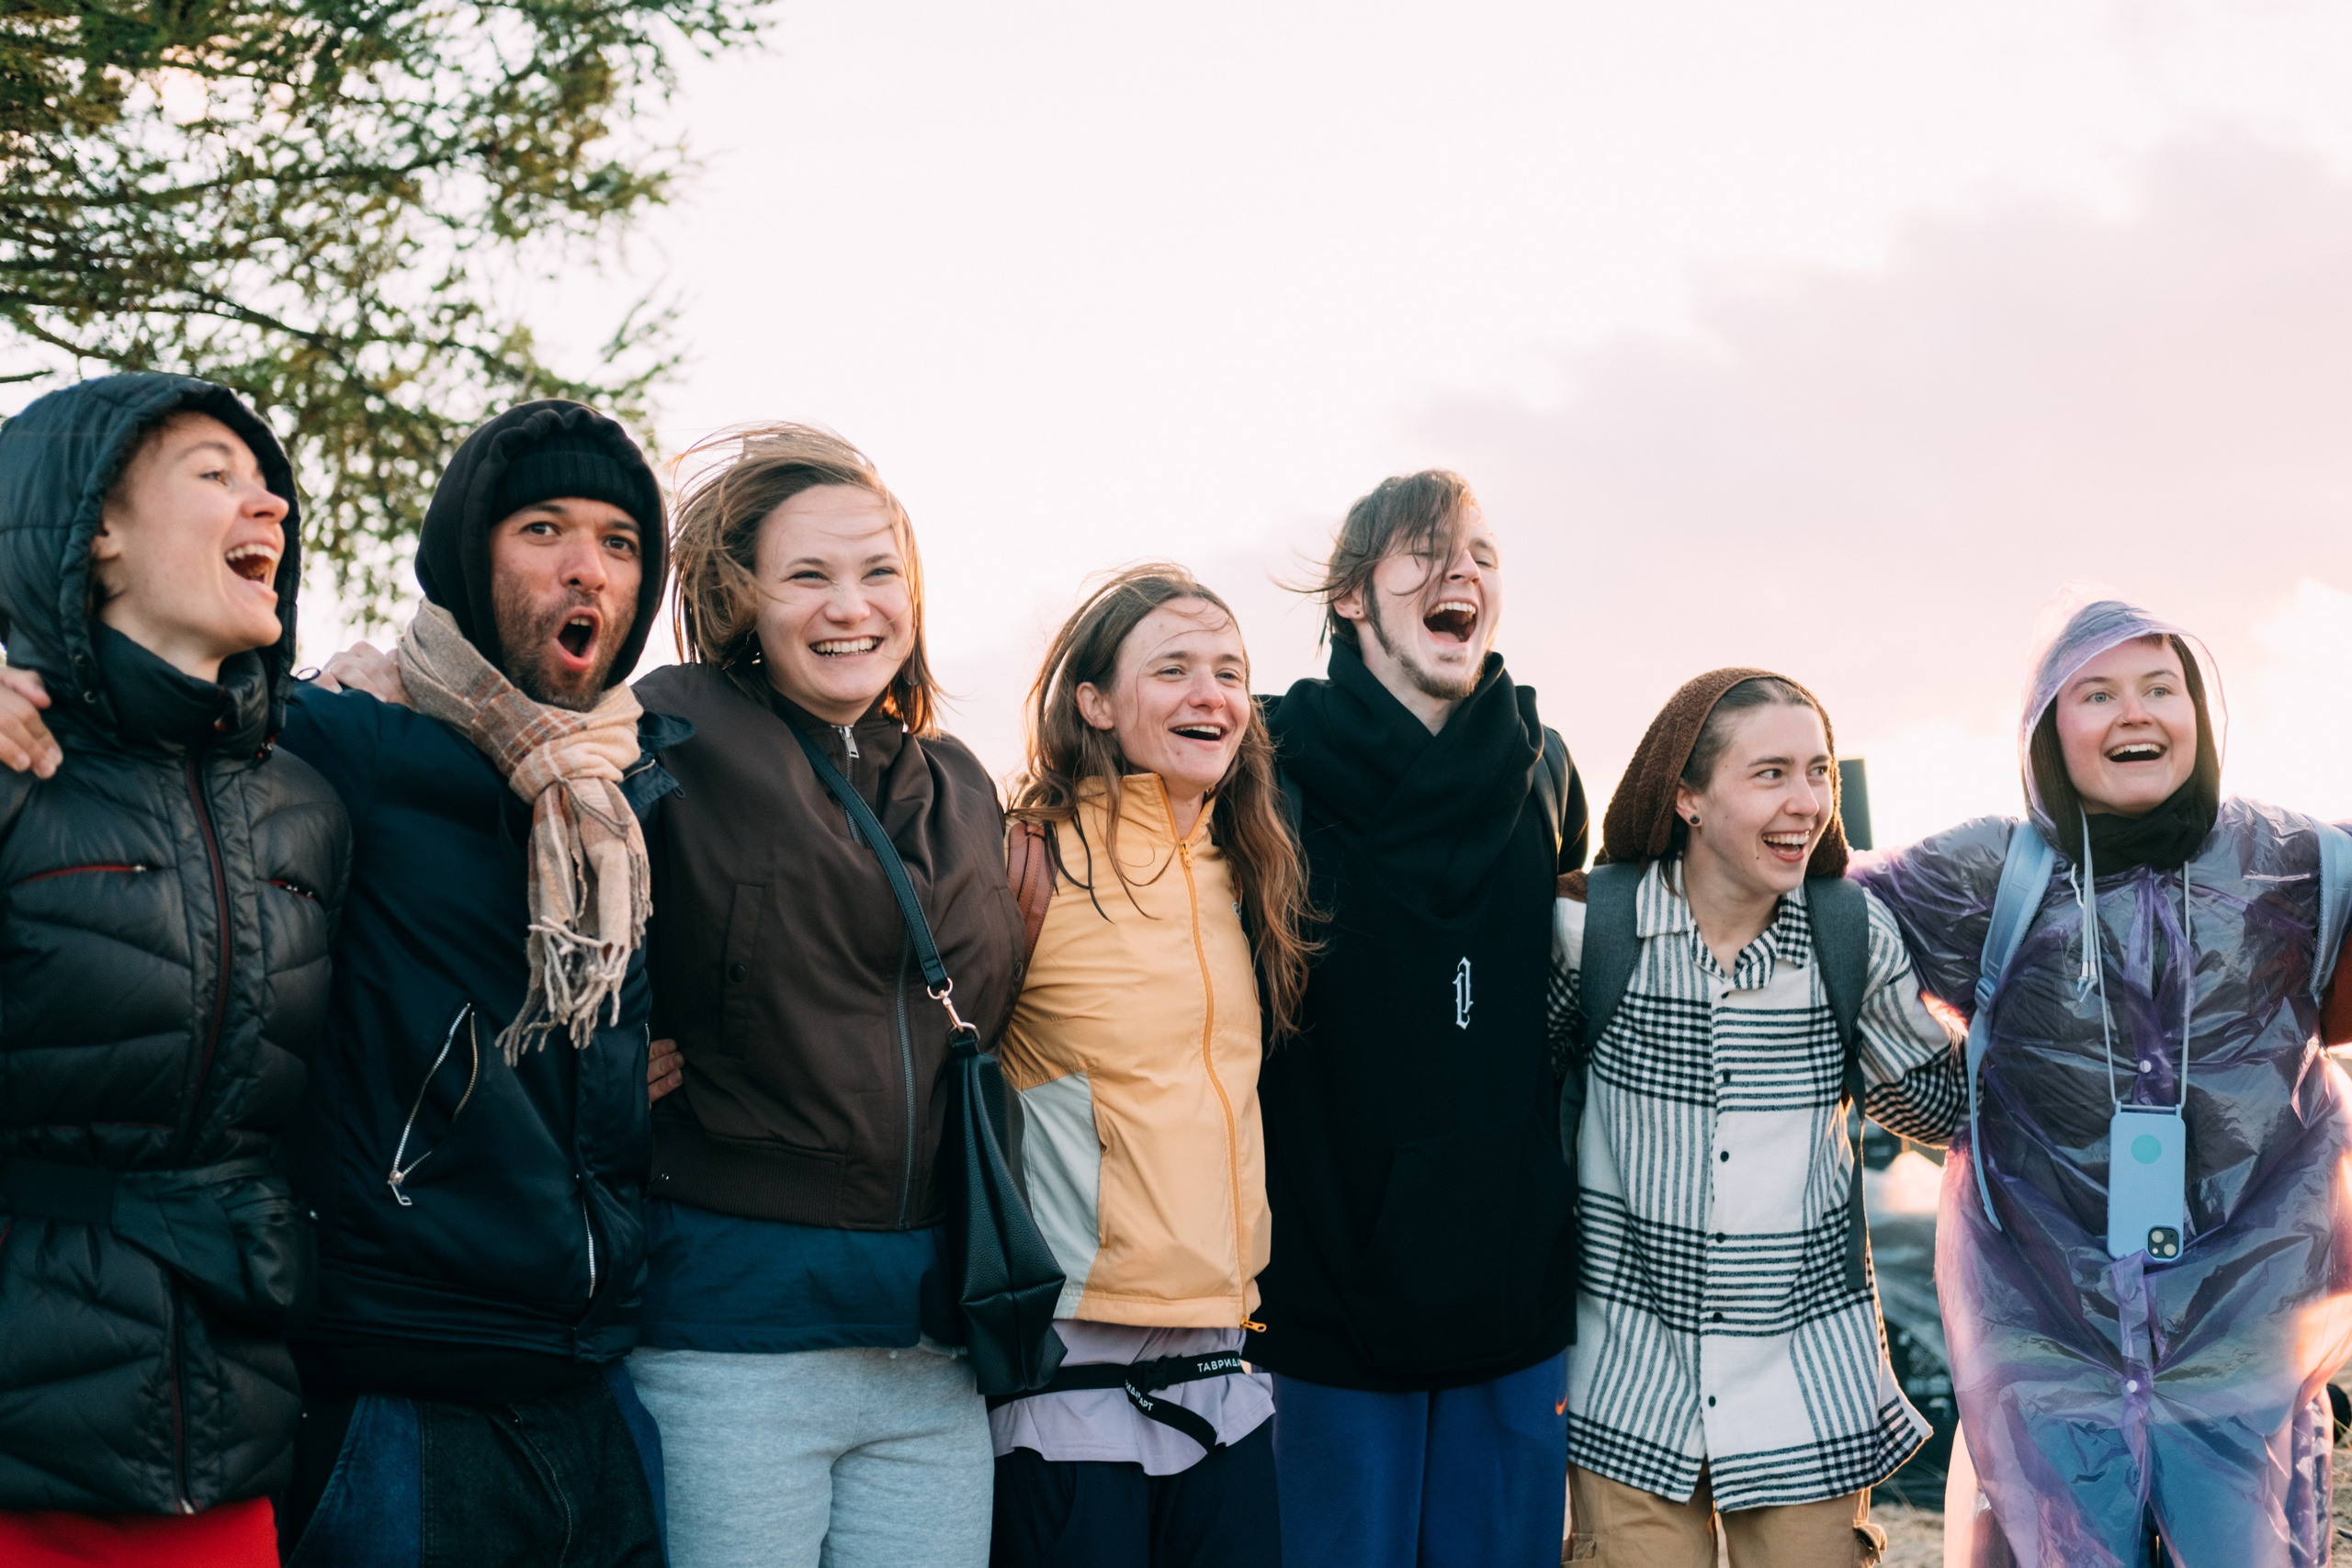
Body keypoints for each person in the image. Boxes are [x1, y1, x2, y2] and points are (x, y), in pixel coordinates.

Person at [0, 400, 684, 1562]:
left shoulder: (642, 789)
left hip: (587, 1383)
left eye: (621, 544)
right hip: (397, 1395)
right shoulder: (342, 749)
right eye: (543, 529)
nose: (587, 568)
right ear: (468, 557)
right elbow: (144, 730)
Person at [1854, 593, 2352, 1568]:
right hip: (2046, 1329)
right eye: (2096, 694)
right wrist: (1921, 1089)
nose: (2134, 713)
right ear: (2050, 731)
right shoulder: (1989, 872)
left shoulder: (2294, 865)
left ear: (2199, 715)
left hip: (2243, 1337)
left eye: (2160, 688)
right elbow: (1815, 919)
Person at [627, 423, 1020, 1568]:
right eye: (809, 575)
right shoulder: (661, 738)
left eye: (879, 571)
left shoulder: (958, 782)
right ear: (743, 598)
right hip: (734, 1339)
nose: (853, 606)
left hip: (933, 1346)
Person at [0, 374, 349, 1567]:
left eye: (269, 482)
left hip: (227, 1448)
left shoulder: (305, 804)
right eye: (215, 474)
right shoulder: (10, 769)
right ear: (92, 527)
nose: (270, 505)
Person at [1550, 670, 1963, 1568]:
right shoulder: (1588, 933)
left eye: (1817, 772)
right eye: (1770, 773)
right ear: (1688, 796)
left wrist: (2033, 1004)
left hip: (1805, 1386)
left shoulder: (1850, 937)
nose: (1806, 801)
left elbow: (1935, 1111)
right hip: (1626, 1386)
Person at [1253, 469, 1588, 1568]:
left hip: (1514, 1296)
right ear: (1352, 594)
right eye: (1425, 551)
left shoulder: (1545, 765)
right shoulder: (1265, 768)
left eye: (1483, 556)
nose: (1463, 574)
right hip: (1324, 1302)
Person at [987, 565, 1313, 1567]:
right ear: (1094, 701)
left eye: (1227, 670)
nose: (1207, 693)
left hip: (1222, 1356)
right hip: (1070, 1364)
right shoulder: (1024, 860)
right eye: (1170, 669)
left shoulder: (1249, 868)